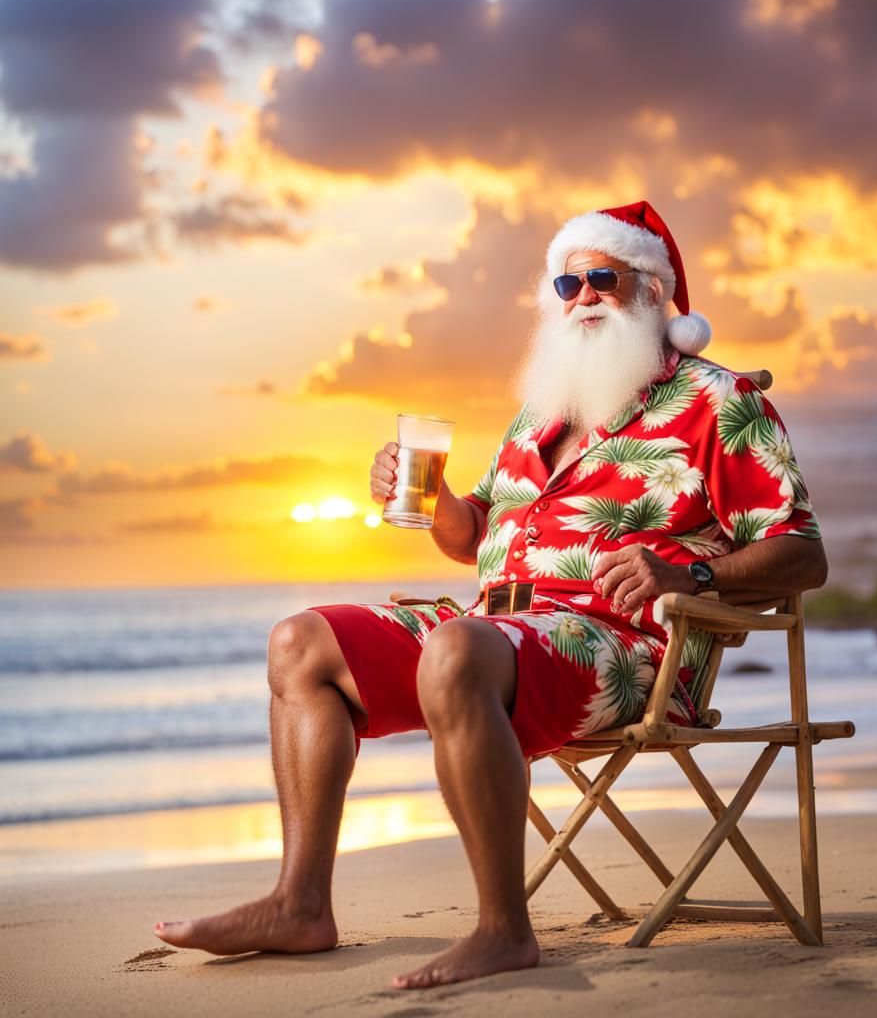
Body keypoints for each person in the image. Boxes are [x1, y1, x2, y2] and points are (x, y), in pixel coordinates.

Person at [153, 201, 827, 988]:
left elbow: (803, 554)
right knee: (298, 642)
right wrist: (433, 500)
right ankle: (299, 904)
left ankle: (504, 930)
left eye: (601, 279)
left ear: (652, 290)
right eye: (567, 283)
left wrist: (690, 575)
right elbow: (471, 535)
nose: (582, 296)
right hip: (489, 629)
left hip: (621, 642)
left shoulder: (719, 402)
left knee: (456, 651)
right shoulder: (542, 412)